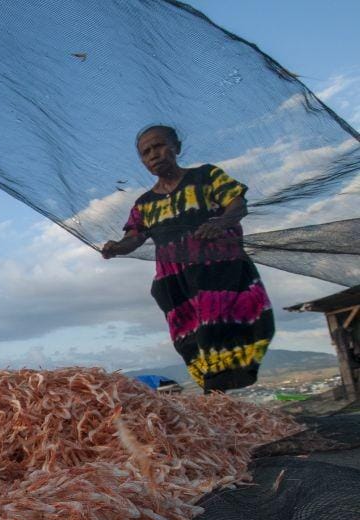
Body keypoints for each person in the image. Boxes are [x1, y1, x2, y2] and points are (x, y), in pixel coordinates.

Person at [101, 125, 275, 394]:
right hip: (176, 283)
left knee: (224, 329)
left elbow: (237, 204)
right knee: (191, 339)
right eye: (146, 152)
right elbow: (135, 237)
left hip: (218, 272)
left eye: (159, 146)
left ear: (177, 147)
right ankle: (216, 394)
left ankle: (217, 394)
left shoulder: (206, 176)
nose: (153, 155)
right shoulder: (144, 204)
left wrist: (220, 223)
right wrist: (117, 247)